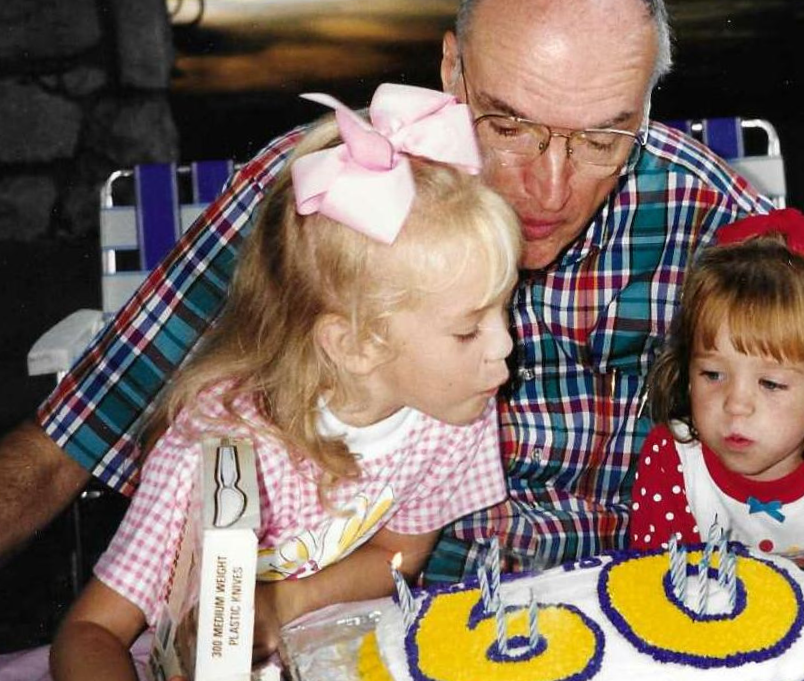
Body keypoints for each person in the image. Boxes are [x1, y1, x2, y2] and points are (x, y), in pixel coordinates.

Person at [0, 0, 804, 599]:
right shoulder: (327, 201)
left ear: (649, 112)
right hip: (369, 623)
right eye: (509, 124)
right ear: (451, 71)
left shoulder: (703, 204)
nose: (548, 185)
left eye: (603, 137)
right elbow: (63, 445)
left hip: (625, 623)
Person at [48, 84, 519, 679]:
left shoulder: (453, 407)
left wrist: (280, 604)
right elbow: (90, 631)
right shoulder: (213, 444)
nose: (505, 345)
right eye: (467, 329)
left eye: (504, 308)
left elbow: (401, 553)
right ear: (354, 346)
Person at [628, 208, 804, 554]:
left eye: (770, 383)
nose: (736, 404)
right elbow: (657, 591)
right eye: (713, 374)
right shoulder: (674, 461)